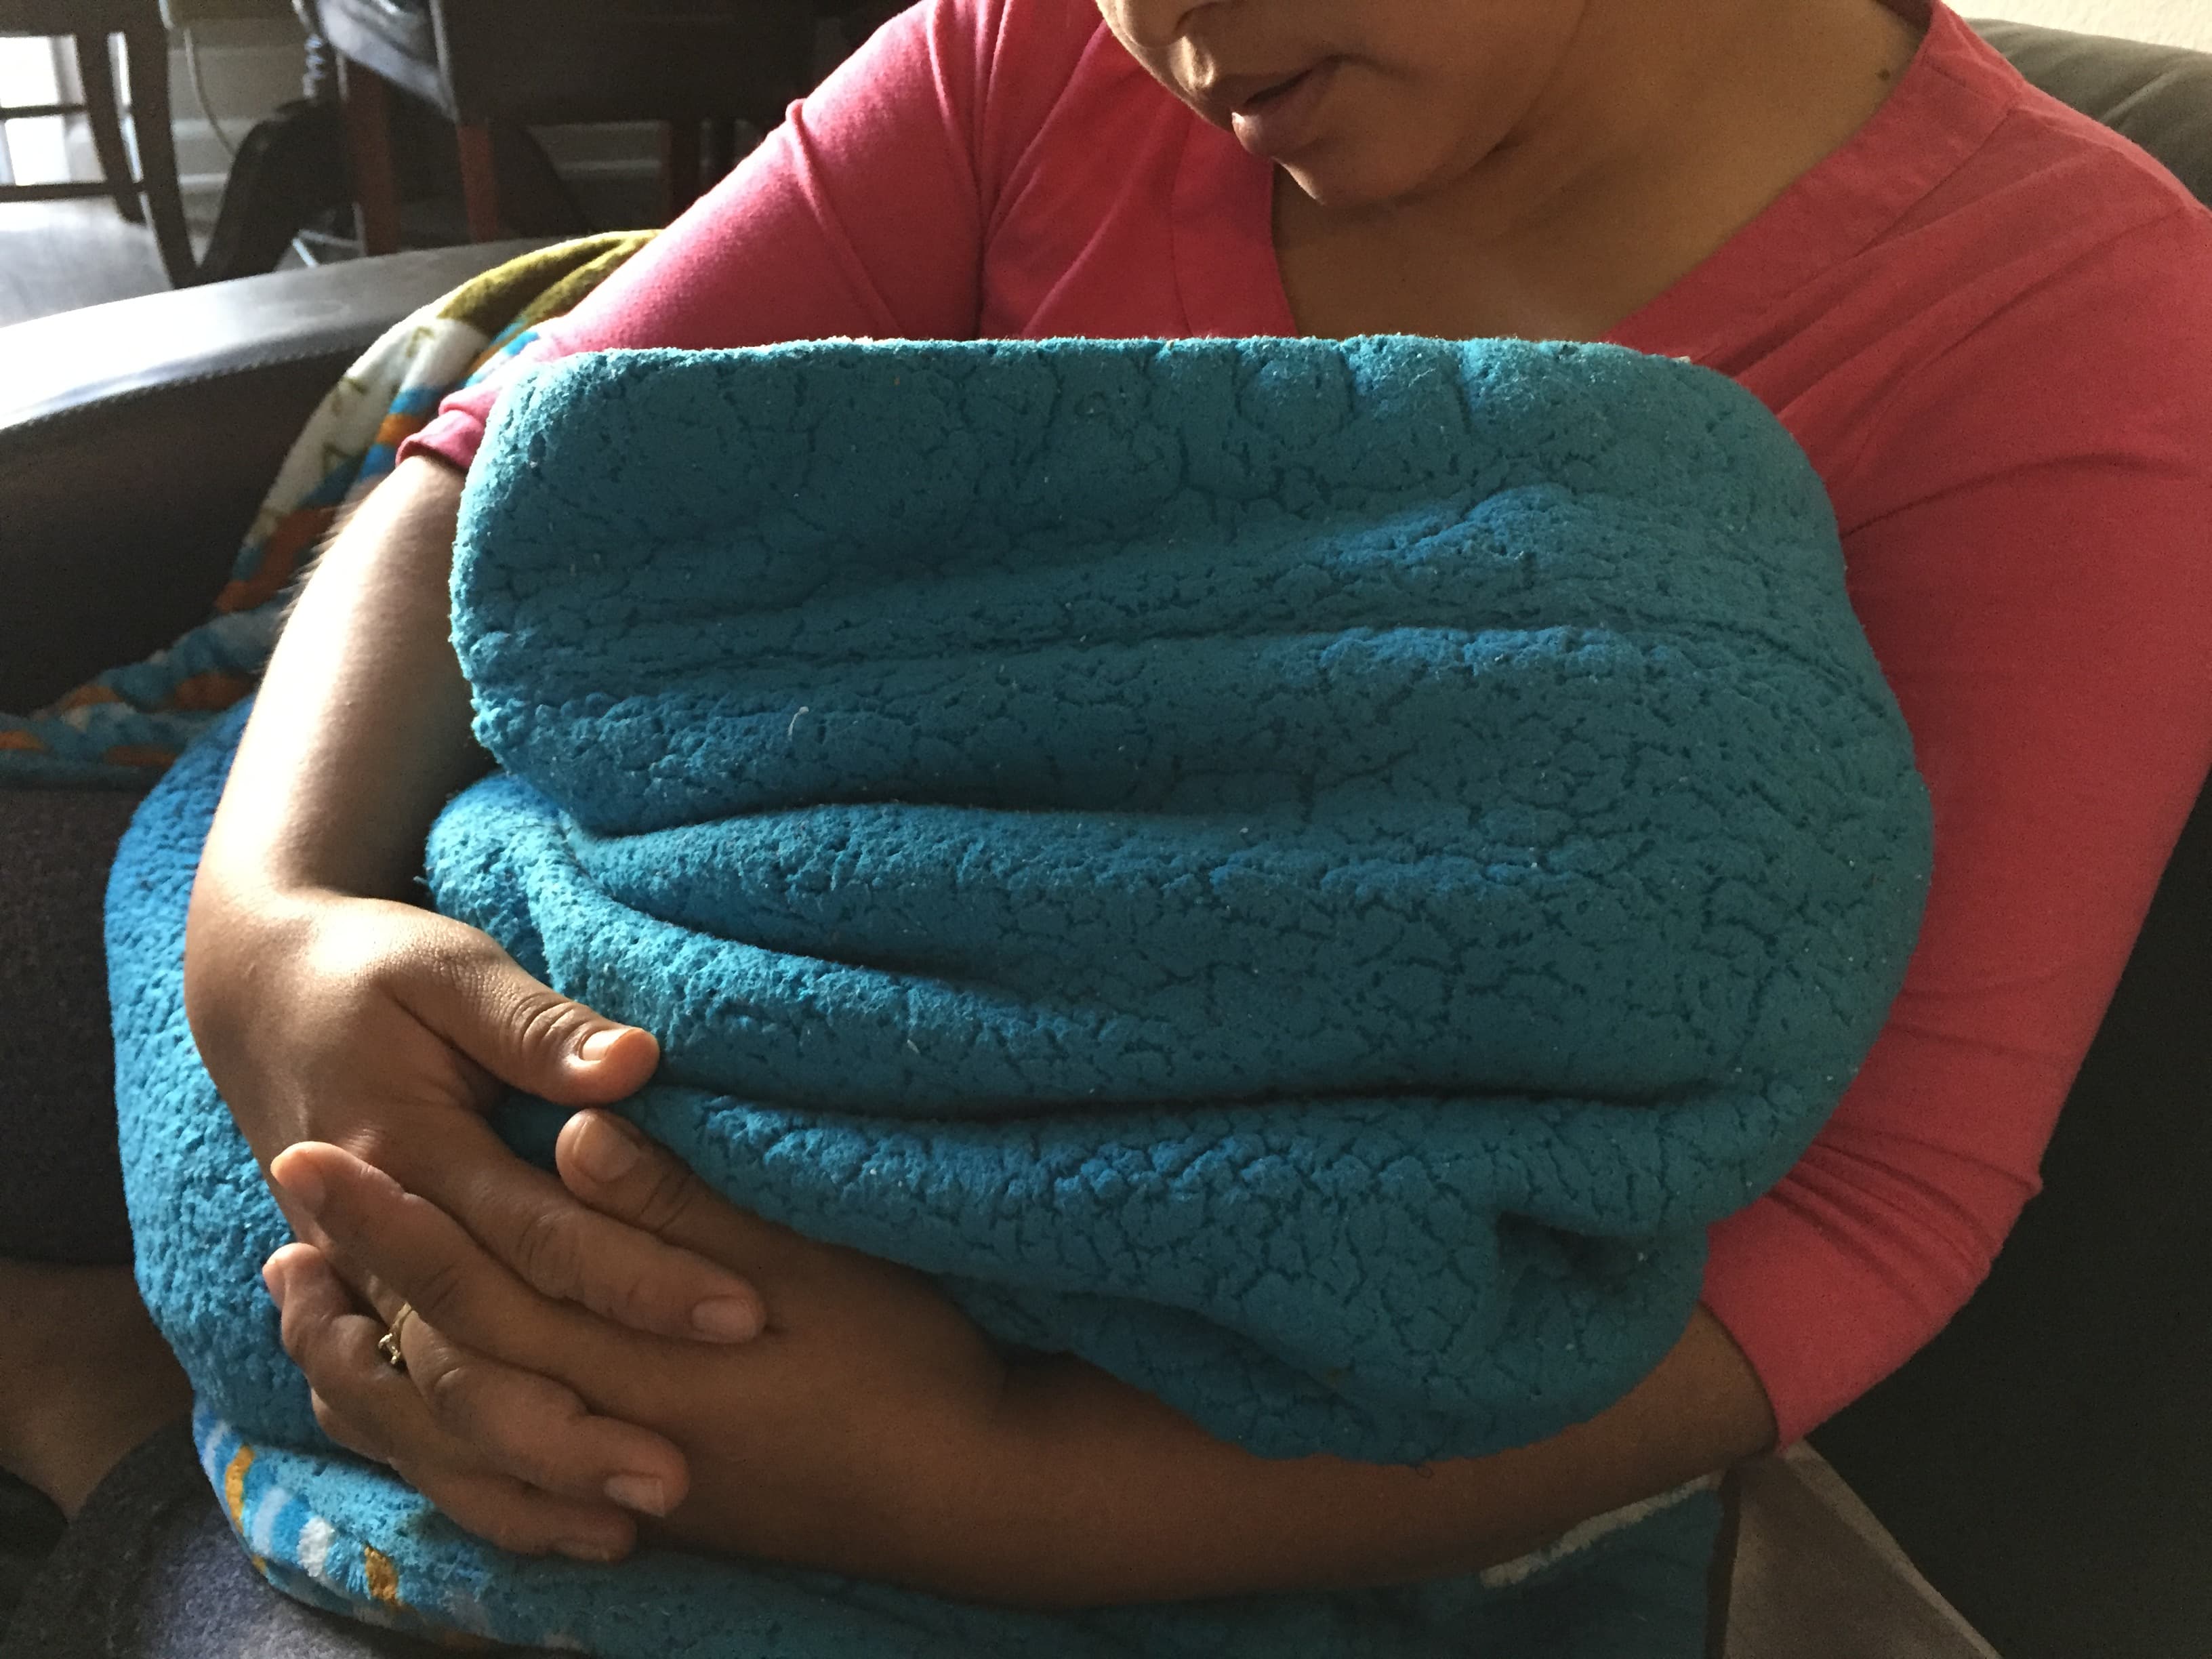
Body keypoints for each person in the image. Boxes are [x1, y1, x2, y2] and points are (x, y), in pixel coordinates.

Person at [6, 0, 2211, 1625]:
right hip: (674, 1004)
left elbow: (1877, 1210)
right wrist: (269, 925)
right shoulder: (1014, 63)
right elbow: (511, 468)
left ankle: (105, 1417)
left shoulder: (2070, 323)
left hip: (1229, 1380)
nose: (1163, 32)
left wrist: (966, 1480)